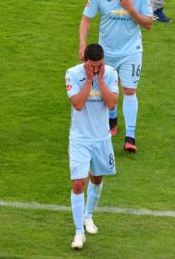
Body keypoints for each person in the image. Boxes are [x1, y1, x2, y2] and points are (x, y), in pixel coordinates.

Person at [79, 0, 153, 153]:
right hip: (106, 52)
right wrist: (82, 44)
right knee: (107, 87)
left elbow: (148, 24)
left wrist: (131, 9)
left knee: (129, 90)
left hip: (131, 52)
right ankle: (112, 120)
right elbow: (86, 18)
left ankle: (130, 137)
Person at [65, 43, 119, 250]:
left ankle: (88, 216)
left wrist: (101, 80)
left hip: (101, 138)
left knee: (97, 179)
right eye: (93, 66)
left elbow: (111, 103)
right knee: (78, 184)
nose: (96, 69)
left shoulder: (111, 74)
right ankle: (79, 232)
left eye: (99, 65)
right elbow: (78, 104)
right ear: (85, 61)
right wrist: (89, 80)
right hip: (80, 139)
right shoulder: (72, 74)